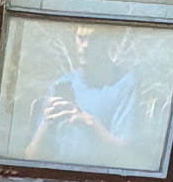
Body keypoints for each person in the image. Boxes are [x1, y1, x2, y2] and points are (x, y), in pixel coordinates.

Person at [24, 23, 139, 167]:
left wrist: (89, 124)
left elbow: (127, 155)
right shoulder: (62, 85)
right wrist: (48, 123)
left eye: (94, 39)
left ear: (107, 41)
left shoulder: (124, 84)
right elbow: (31, 157)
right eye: (81, 38)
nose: (85, 45)